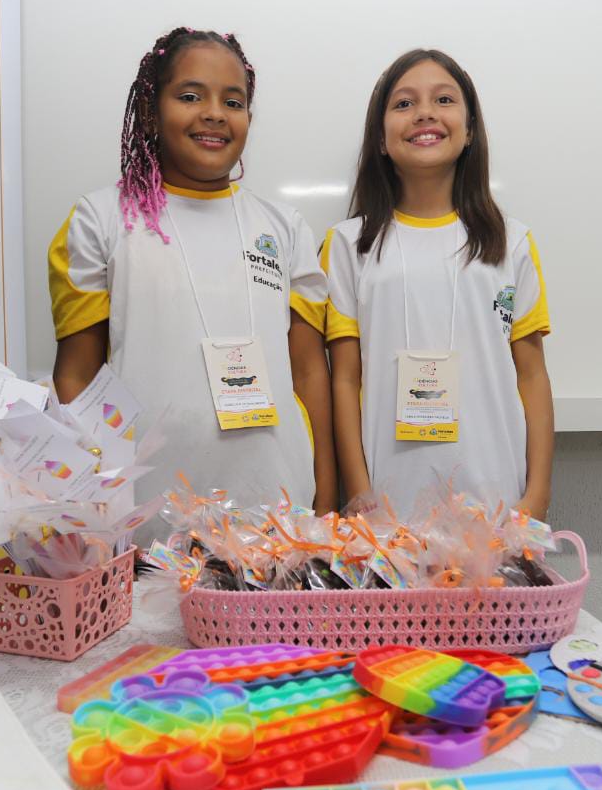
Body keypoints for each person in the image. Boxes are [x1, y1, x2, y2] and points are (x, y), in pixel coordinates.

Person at [49, 27, 336, 518]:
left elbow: (311, 374)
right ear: (150, 111)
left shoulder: (284, 229)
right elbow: (77, 375)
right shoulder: (99, 220)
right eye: (189, 96)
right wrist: (83, 512)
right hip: (142, 517)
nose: (214, 114)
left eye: (234, 101)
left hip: (277, 515)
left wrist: (327, 503)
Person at [326, 49, 554, 520]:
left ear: (470, 131)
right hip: (386, 512)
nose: (425, 112)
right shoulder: (348, 246)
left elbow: (531, 375)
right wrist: (360, 494)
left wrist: (536, 497)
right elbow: (344, 379)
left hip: (496, 505)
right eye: (404, 103)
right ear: (382, 140)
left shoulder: (511, 243)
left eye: (444, 99)